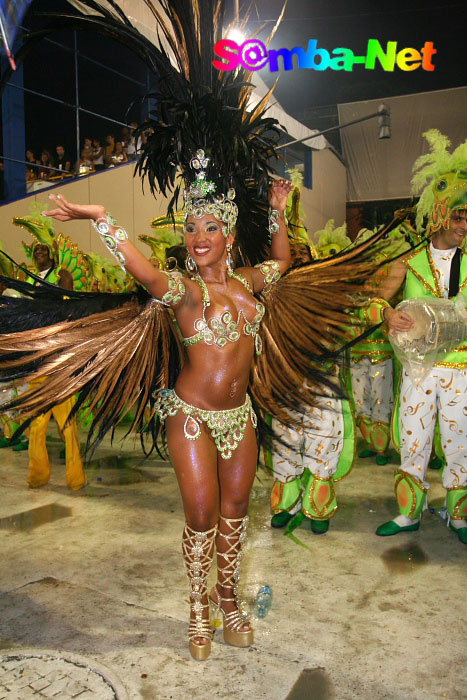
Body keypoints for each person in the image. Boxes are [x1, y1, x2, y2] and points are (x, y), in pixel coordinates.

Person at [372, 130, 467, 544]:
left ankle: (459, 515)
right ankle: (409, 513)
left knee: (461, 443)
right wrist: (389, 314)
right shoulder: (408, 262)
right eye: (460, 216)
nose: (465, 225)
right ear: (439, 212)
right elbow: (372, 302)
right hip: (416, 372)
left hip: (462, 370)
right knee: (413, 440)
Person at [25, 241, 87, 491]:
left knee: (68, 425)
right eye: (36, 251)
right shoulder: (29, 279)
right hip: (37, 359)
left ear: (51, 254)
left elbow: (68, 305)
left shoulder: (61, 275)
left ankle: (76, 478)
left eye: (44, 251)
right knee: (37, 425)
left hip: (58, 361)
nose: (40, 254)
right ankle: (37, 475)